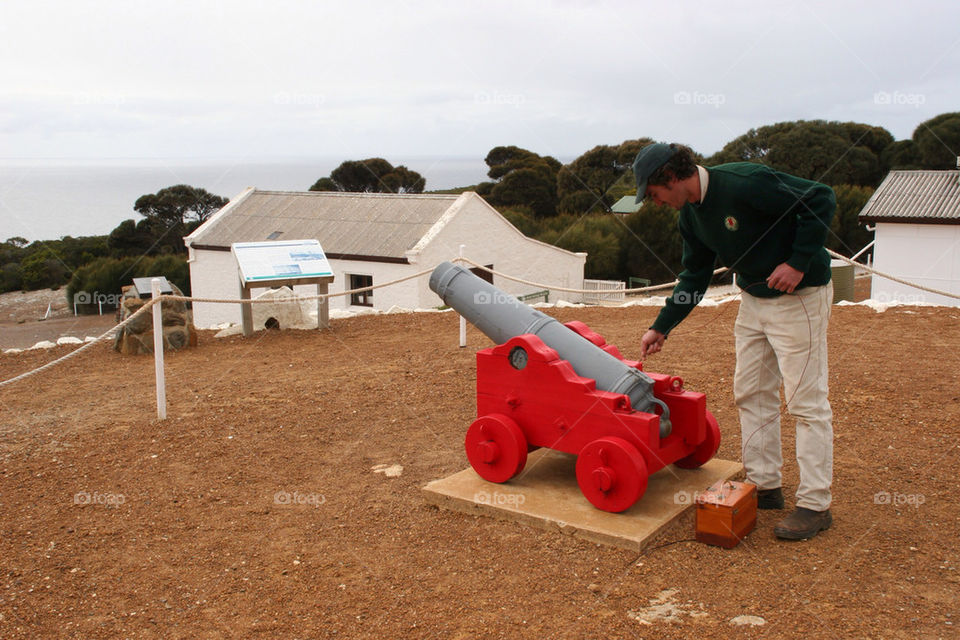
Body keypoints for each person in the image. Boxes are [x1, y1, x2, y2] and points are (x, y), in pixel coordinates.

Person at [634, 142, 836, 540]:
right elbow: (694, 276)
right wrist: (662, 326)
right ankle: (766, 486)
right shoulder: (690, 217)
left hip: (800, 298)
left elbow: (820, 198)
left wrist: (798, 261)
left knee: (804, 400)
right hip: (754, 299)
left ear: (671, 178)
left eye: (654, 194)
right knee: (751, 391)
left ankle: (815, 504)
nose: (655, 202)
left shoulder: (744, 183)